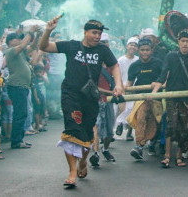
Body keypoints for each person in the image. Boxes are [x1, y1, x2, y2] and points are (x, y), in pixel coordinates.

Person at [39, 18, 124, 188]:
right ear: (85, 32)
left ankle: (83, 161)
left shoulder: (103, 50)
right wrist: (48, 30)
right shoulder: (71, 46)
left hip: (91, 97)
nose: (97, 36)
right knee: (71, 130)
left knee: (86, 135)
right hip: (71, 95)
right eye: (94, 33)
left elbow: (114, 66)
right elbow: (44, 47)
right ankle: (71, 171)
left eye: (99, 33)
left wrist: (119, 84)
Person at [156, 30, 188, 168]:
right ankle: (167, 156)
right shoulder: (170, 56)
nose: (184, 44)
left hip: (187, 98)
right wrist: (154, 91)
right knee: (171, 125)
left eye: (187, 41)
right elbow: (162, 75)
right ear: (178, 42)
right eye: (182, 41)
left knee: (185, 127)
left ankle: (178, 156)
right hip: (172, 96)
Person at [125, 38, 164, 161]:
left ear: (151, 50)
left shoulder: (158, 63)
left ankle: (152, 142)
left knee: (157, 122)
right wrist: (123, 90)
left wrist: (157, 86)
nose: (145, 52)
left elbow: (165, 78)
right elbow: (129, 84)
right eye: (142, 50)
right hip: (141, 99)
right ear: (138, 51)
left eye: (147, 50)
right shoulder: (134, 66)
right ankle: (139, 146)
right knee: (141, 117)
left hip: (157, 98)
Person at [5, 26, 39, 149]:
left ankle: (19, 139)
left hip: (23, 87)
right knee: (20, 114)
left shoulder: (22, 53)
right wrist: (31, 32)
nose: (19, 40)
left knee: (22, 113)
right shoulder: (10, 51)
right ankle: (16, 141)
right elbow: (24, 45)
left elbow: (33, 47)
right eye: (15, 38)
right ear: (10, 42)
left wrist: (38, 35)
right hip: (16, 86)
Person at [89, 33, 118, 166]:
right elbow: (93, 86)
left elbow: (118, 83)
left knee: (109, 131)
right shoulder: (92, 67)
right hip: (95, 101)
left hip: (108, 102)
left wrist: (118, 90)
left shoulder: (112, 67)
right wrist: (111, 92)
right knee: (96, 127)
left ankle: (105, 149)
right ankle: (95, 153)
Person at [114, 36, 139, 141]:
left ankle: (129, 133)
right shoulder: (120, 60)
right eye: (131, 45)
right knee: (122, 108)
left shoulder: (138, 60)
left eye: (135, 45)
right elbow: (118, 74)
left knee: (132, 110)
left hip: (135, 87)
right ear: (127, 46)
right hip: (123, 87)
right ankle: (119, 123)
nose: (133, 47)